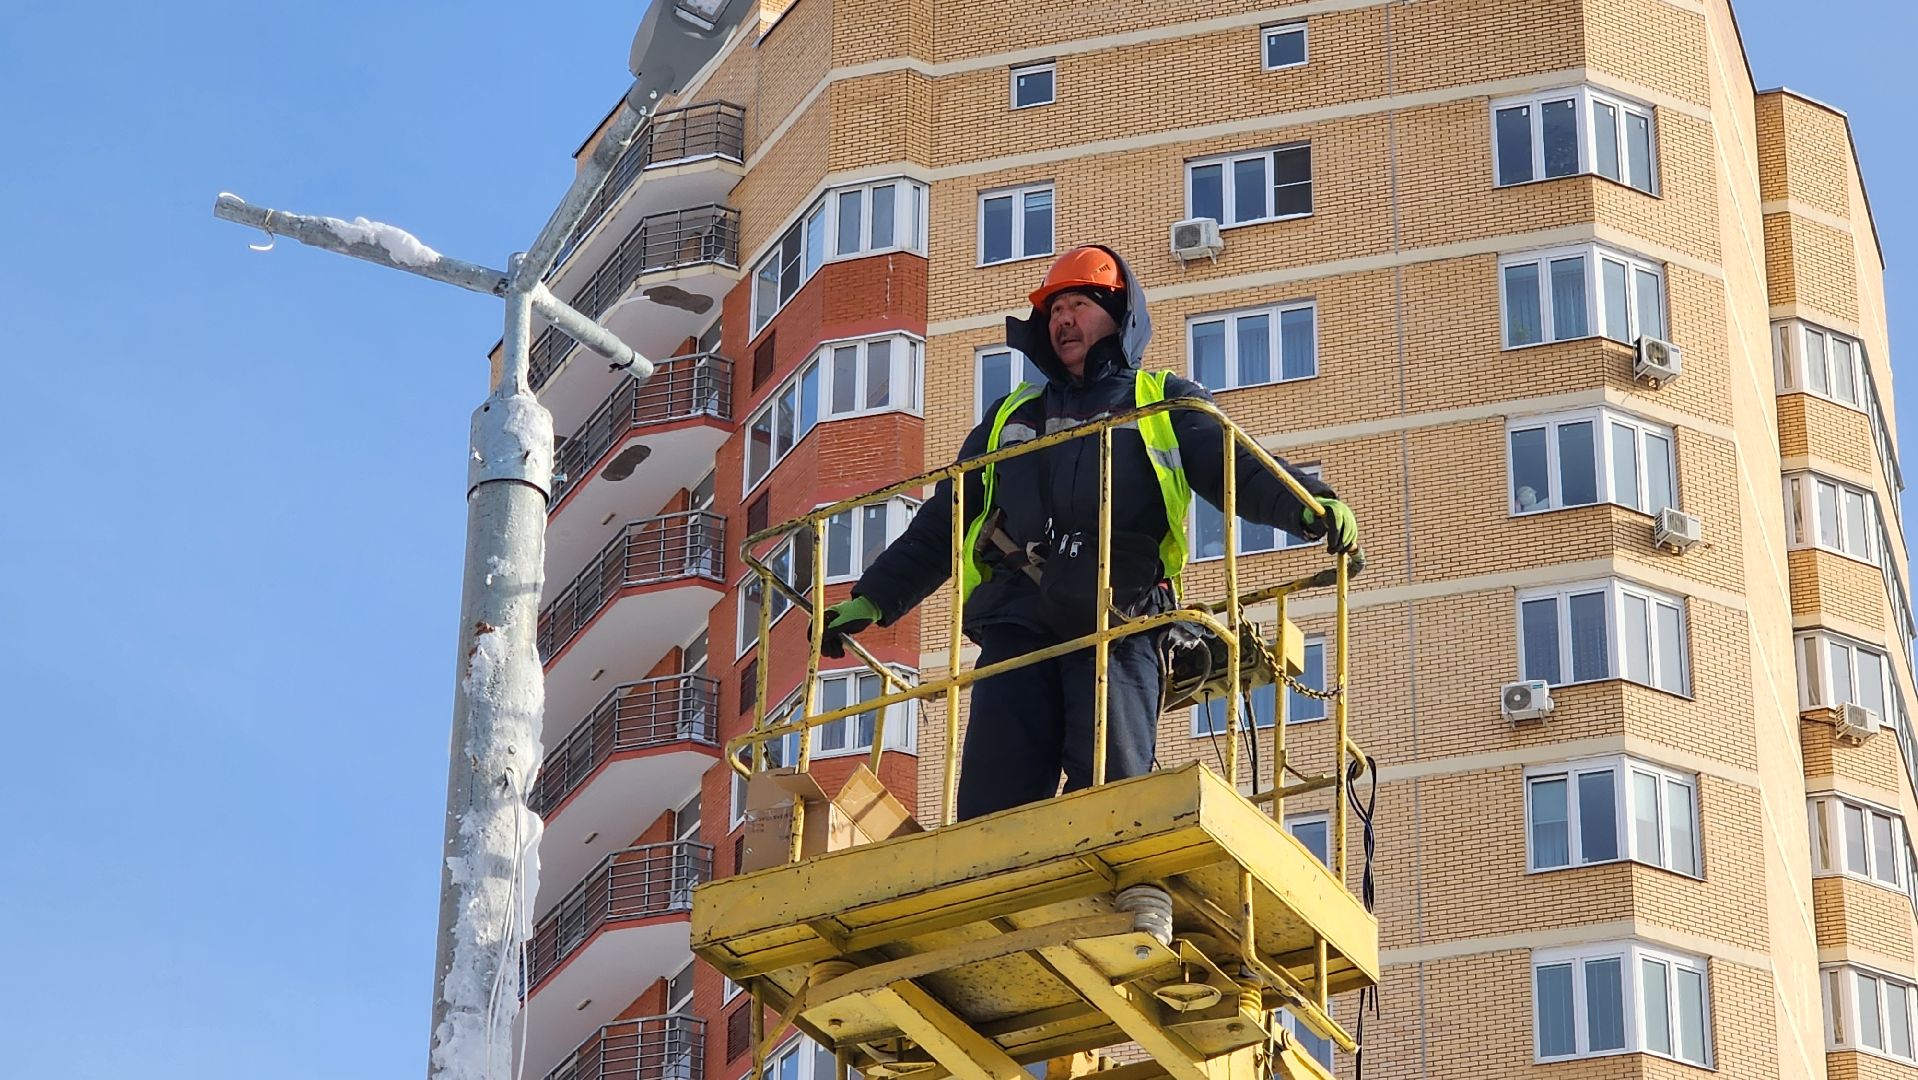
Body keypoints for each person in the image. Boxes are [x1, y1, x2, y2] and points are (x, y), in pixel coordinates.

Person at [814, 245, 1359, 820]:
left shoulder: (1161, 400)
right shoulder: (1010, 417)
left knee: (1113, 797)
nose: (1063, 320)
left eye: (1079, 304)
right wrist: (874, 598)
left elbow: (1235, 468)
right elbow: (944, 520)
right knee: (992, 810)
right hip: (1017, 626)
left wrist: (1308, 504)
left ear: (1120, 315)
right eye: (1054, 310)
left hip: (1119, 620)